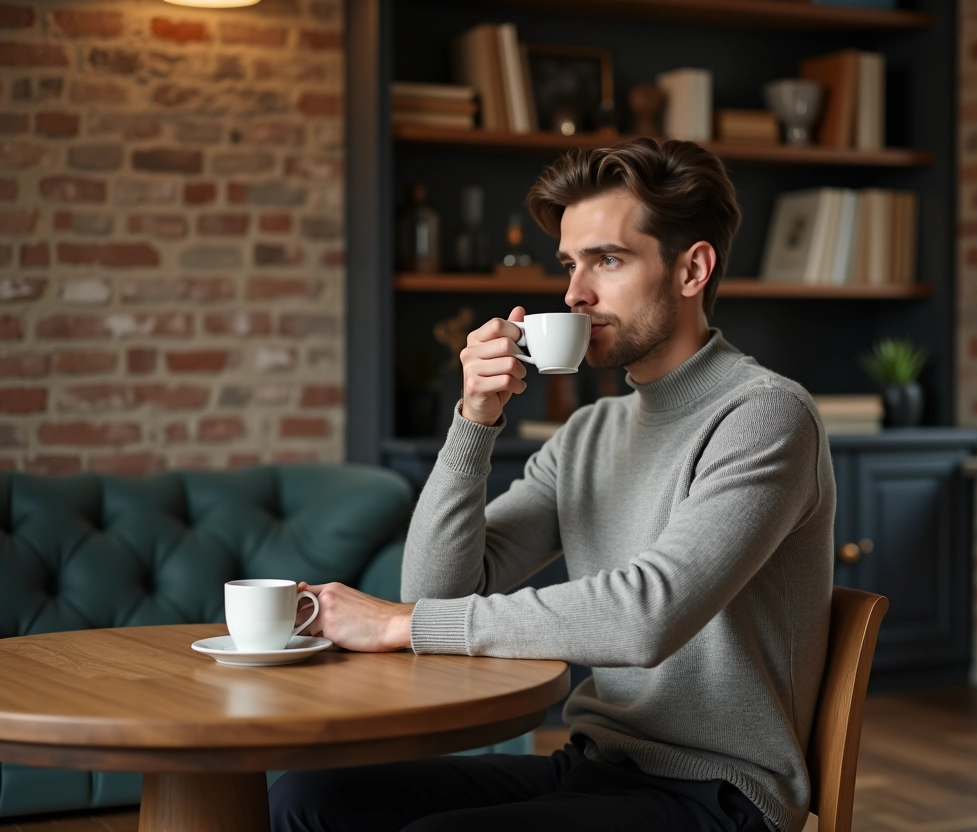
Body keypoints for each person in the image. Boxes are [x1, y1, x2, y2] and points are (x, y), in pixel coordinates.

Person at [270, 137, 835, 832]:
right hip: (597, 764)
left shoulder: (766, 416)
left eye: (608, 260)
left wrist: (395, 625)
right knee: (308, 798)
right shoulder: (589, 433)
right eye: (570, 264)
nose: (574, 294)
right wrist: (475, 419)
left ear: (692, 269)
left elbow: (646, 617)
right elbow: (437, 591)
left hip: (721, 793)